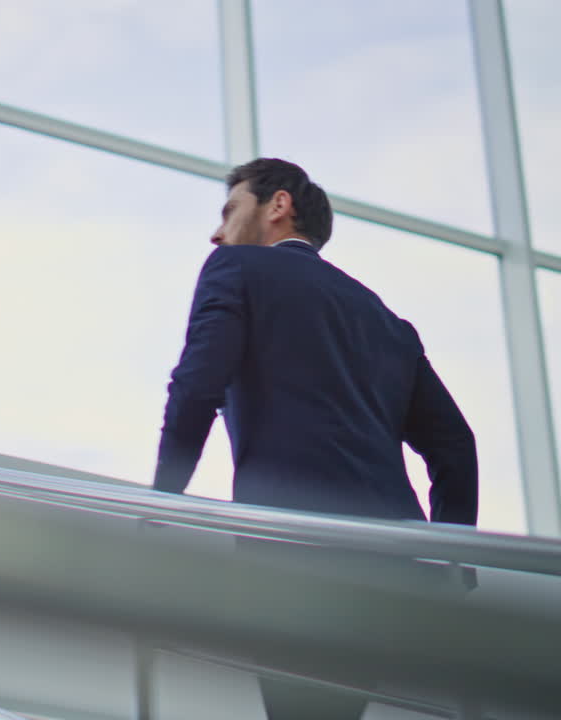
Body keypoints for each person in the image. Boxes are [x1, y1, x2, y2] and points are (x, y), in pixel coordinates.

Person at [153, 158, 478, 719]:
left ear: (278, 205)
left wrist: (160, 502)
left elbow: (195, 389)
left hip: (291, 550)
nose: (217, 231)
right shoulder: (385, 320)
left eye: (230, 211)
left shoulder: (235, 268)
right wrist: (449, 562)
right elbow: (456, 447)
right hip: (388, 569)